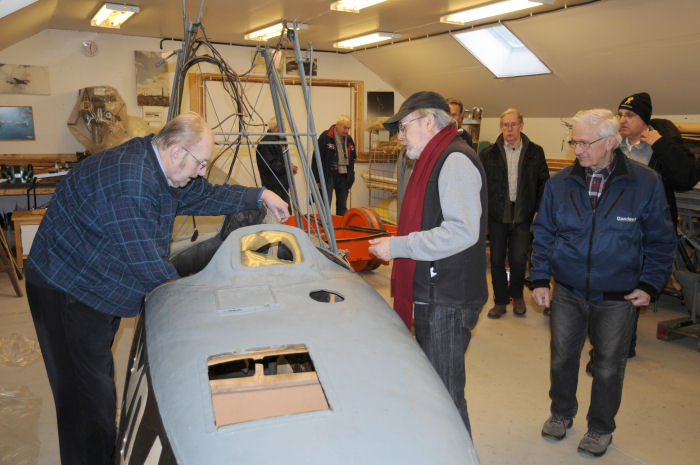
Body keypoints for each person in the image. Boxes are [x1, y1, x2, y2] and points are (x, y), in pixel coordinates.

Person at [24, 112, 289, 465]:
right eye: (201, 163)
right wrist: (207, 310)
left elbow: (206, 196)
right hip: (66, 289)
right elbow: (150, 269)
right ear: (177, 150)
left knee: (97, 386)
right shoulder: (130, 183)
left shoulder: (160, 166)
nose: (202, 171)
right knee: (84, 402)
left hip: (96, 281)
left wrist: (260, 194)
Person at [530, 109, 675, 457]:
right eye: (574, 141)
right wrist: (539, 279)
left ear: (611, 142)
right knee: (562, 357)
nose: (576, 149)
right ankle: (561, 413)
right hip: (567, 290)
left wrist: (651, 283)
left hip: (618, 296)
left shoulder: (645, 183)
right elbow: (544, 233)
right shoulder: (559, 184)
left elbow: (660, 240)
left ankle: (600, 428)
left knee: (609, 365)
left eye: (584, 142)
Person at [368, 91, 487, 436]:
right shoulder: (434, 159)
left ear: (429, 121)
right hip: (434, 292)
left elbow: (462, 232)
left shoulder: (455, 161)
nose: (400, 137)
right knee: (432, 389)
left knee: (444, 394)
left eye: (404, 127)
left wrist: (399, 246)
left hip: (448, 298)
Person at [479, 108, 549, 318]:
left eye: (513, 124)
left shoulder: (535, 152)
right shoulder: (488, 153)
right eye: (505, 125)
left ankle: (517, 296)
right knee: (498, 260)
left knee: (518, 259)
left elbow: (543, 183)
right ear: (501, 127)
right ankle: (500, 301)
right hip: (497, 214)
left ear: (521, 125)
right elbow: (480, 185)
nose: (509, 129)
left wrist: (539, 208)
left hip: (522, 214)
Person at [312, 114, 357, 216]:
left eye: (348, 128)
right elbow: (316, 158)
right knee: (325, 205)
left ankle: (340, 229)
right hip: (329, 175)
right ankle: (325, 229)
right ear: (337, 125)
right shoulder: (326, 137)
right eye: (345, 128)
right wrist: (317, 179)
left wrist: (351, 177)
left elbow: (352, 160)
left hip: (343, 175)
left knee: (342, 206)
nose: (347, 131)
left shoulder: (349, 139)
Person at [255, 117, 298, 204]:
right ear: (277, 127)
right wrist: (288, 167)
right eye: (283, 127)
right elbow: (274, 166)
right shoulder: (267, 143)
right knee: (280, 214)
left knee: (283, 213)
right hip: (275, 186)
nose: (285, 129)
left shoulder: (274, 142)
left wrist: (288, 166)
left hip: (278, 185)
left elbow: (276, 163)